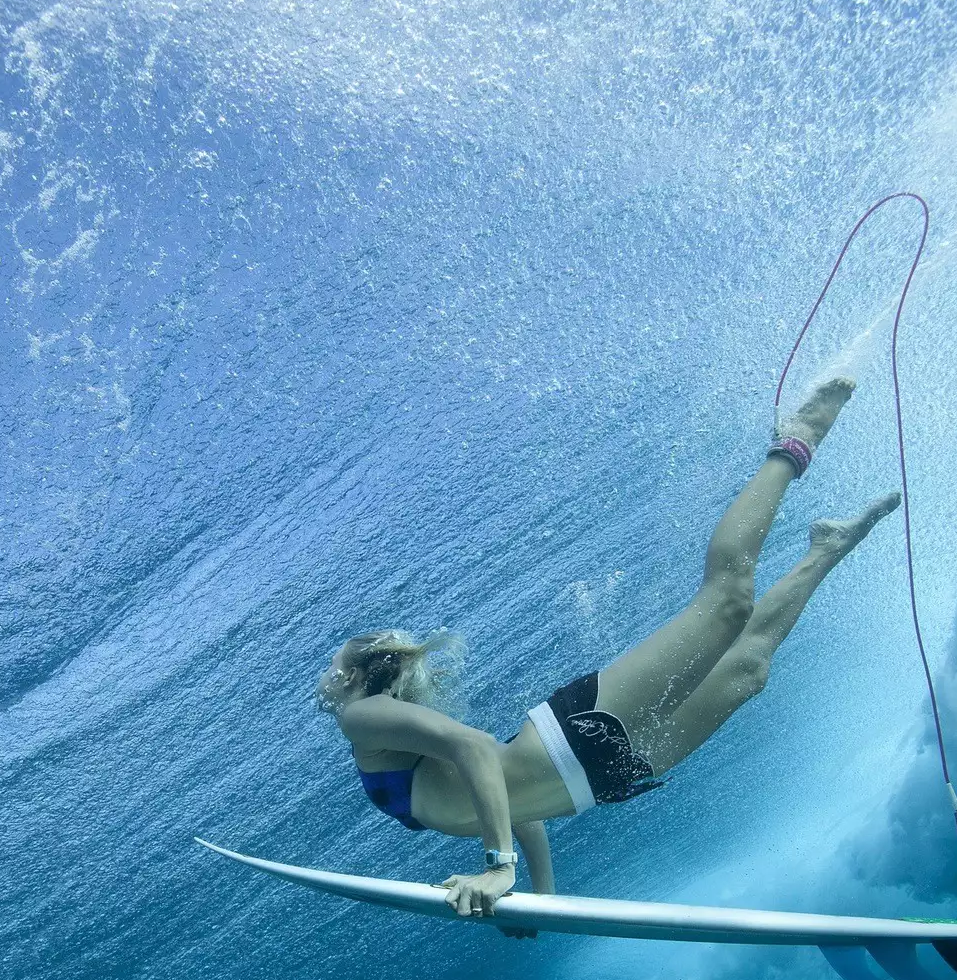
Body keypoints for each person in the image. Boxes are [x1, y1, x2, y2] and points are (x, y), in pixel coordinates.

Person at [317, 377, 899, 919]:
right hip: (605, 778)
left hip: (576, 737)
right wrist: (541, 898)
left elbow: (472, 748)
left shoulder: (358, 717)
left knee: (727, 602)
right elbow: (507, 800)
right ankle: (826, 548)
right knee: (748, 670)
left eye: (331, 663)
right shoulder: (386, 735)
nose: (325, 674)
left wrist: (498, 868)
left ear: (353, 677)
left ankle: (795, 441)